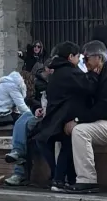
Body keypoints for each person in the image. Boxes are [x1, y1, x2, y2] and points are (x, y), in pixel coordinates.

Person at [7, 42, 93, 188]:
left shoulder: (56, 73)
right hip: (63, 120)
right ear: (71, 56)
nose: (79, 59)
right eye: (78, 56)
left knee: (56, 144)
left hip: (52, 120)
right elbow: (89, 88)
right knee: (67, 146)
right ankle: (59, 179)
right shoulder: (71, 73)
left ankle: (60, 177)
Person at [56, 40, 107, 195]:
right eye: (83, 59)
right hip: (106, 122)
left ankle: (87, 180)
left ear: (98, 58)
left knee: (80, 131)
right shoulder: (96, 77)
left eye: (87, 59)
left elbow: (103, 109)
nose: (84, 62)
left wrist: (77, 120)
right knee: (65, 130)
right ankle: (62, 177)